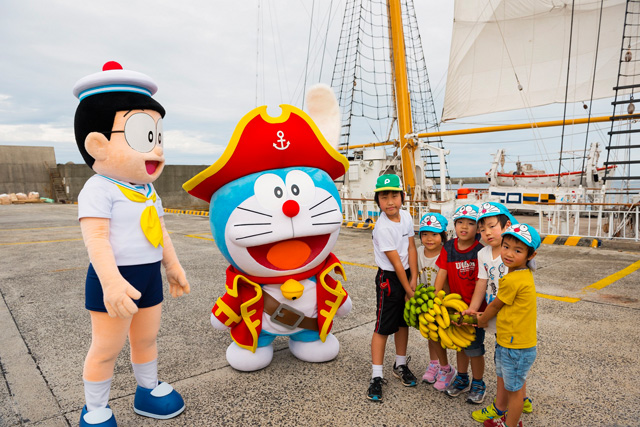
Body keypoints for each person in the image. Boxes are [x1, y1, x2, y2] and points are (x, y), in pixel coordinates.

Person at [73, 61, 190, 426]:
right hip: (114, 281)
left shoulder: (146, 189)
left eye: (157, 137)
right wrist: (110, 282)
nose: (156, 151)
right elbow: (96, 240)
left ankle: (147, 389)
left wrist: (172, 265)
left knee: (147, 339)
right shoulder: (99, 188)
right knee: (107, 348)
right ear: (98, 143)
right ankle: (95, 409)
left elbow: (159, 231)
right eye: (143, 137)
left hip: (148, 275)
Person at [470, 203, 533, 422]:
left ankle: (501, 406)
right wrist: (473, 308)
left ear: (507, 224)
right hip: (495, 317)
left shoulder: (514, 257)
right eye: (483, 228)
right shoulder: (483, 254)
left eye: (492, 226)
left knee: (507, 363)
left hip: (509, 320)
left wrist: (483, 317)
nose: (487, 232)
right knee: (509, 363)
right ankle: (519, 398)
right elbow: (481, 282)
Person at [367, 174, 419, 402]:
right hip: (389, 278)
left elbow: (411, 247)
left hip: (407, 275)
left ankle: (400, 363)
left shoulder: (406, 216)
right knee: (383, 326)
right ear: (377, 201)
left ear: (402, 197)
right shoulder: (382, 228)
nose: (390, 201)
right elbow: (396, 262)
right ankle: (376, 376)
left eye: (394, 195)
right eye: (384, 196)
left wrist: (415, 277)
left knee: (402, 322)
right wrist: (409, 291)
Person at [433, 204, 486, 404]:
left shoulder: (481, 250)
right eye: (460, 222)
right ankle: (462, 378)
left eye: (471, 223)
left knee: (475, 348)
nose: (464, 227)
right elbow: (442, 273)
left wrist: (474, 309)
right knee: (460, 345)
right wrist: (436, 299)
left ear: (478, 228)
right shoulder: (448, 247)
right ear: (454, 225)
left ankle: (479, 382)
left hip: (476, 309)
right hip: (455, 307)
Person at [416, 213, 456, 391]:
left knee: (440, 336)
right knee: (430, 335)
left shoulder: (445, 253)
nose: (429, 239)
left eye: (434, 234)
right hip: (426, 300)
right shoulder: (418, 252)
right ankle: (434, 364)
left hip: (442, 302)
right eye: (425, 234)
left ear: (443, 236)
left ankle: (446, 368)